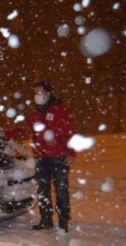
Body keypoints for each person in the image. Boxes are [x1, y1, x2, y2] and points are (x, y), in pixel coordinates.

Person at [5, 82, 78, 232]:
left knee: (61, 190)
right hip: (41, 157)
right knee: (43, 190)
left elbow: (71, 132)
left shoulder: (62, 110)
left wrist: (71, 152)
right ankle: (46, 220)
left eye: (39, 92)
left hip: (58, 157)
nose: (36, 96)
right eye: (35, 93)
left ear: (48, 93)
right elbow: (26, 130)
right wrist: (7, 134)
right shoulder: (35, 113)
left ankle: (63, 220)